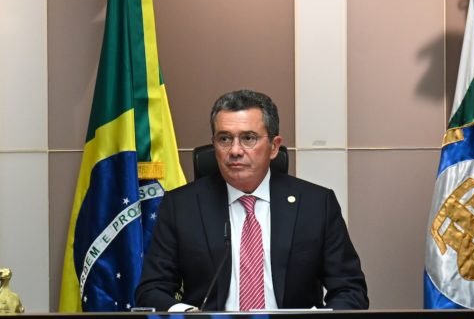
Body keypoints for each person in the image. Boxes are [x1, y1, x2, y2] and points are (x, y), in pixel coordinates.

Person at [136, 89, 369, 311]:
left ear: (274, 147)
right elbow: (151, 290)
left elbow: (350, 290)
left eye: (248, 138)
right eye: (225, 139)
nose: (235, 150)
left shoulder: (316, 205)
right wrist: (189, 315)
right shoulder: (181, 206)